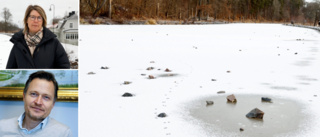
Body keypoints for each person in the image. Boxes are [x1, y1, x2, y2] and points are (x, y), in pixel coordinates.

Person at [0, 71, 72, 137]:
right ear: (24, 96)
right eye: (34, 94)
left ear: (53, 104)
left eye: (46, 97)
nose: (38, 102)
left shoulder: (63, 133)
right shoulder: (2, 127)